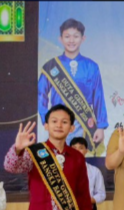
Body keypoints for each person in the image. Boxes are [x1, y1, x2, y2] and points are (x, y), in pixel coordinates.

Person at [38, 18, 108, 154]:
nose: (71, 40)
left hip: (84, 123)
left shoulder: (91, 66)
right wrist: (46, 119)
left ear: (83, 38)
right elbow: (40, 94)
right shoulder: (51, 66)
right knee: (59, 158)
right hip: (59, 123)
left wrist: (100, 126)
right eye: (67, 36)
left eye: (76, 36)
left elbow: (98, 97)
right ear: (60, 39)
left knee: (82, 159)